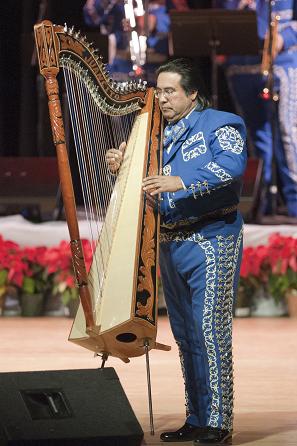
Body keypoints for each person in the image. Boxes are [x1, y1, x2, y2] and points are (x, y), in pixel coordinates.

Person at [106, 58, 247, 444]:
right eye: (159, 90)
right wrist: (123, 164)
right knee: (185, 334)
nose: (162, 98)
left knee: (210, 331)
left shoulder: (221, 123)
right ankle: (197, 416)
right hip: (168, 241)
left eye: (170, 91)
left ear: (192, 94)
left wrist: (179, 181)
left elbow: (230, 169)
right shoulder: (153, 133)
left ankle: (219, 420)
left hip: (212, 238)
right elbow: (145, 181)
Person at [216, 0, 297, 218]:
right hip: (241, 68)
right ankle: (262, 204)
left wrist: (283, 37)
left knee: (287, 135)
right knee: (254, 140)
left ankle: (294, 204)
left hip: (282, 65)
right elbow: (219, 24)